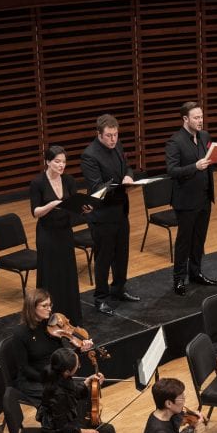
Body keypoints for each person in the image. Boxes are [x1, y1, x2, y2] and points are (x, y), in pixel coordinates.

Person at [165, 101, 217, 296]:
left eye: (201, 116)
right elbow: (172, 171)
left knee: (199, 239)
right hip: (186, 201)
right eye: (196, 117)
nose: (200, 121)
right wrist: (194, 166)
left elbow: (210, 162)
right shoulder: (175, 141)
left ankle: (195, 273)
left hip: (204, 197)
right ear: (185, 119)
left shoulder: (204, 136)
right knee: (184, 241)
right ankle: (179, 279)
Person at [80, 114, 140, 316]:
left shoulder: (118, 146)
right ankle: (101, 298)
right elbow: (96, 187)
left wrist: (129, 176)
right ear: (99, 134)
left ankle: (118, 289)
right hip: (102, 215)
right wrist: (120, 183)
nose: (113, 139)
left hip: (121, 211)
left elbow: (128, 167)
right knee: (104, 258)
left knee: (121, 255)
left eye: (115, 134)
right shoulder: (89, 155)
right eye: (109, 135)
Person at [30, 144, 89, 325]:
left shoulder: (69, 180)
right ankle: (47, 316)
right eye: (57, 162)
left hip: (64, 231)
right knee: (50, 274)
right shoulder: (38, 183)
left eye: (63, 162)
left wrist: (85, 208)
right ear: (47, 162)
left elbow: (75, 205)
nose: (61, 165)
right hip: (47, 234)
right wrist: (52, 205)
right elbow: (35, 212)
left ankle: (70, 314)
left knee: (67, 273)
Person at [9, 288, 96, 402]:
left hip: (55, 375)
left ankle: (82, 419)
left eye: (50, 305)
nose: (49, 309)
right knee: (62, 395)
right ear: (32, 307)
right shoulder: (20, 333)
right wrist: (49, 380)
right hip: (34, 380)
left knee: (82, 389)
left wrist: (79, 350)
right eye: (44, 306)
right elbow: (24, 369)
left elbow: (60, 356)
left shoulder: (52, 326)